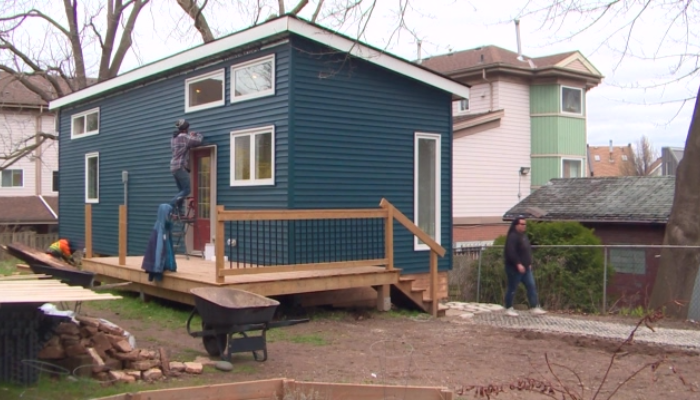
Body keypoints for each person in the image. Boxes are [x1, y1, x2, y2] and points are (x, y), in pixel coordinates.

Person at [503, 217, 547, 317]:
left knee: (531, 286)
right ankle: (508, 308)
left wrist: (529, 263)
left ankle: (534, 306)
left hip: (526, 268)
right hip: (514, 268)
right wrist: (518, 263)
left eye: (525, 224)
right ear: (516, 225)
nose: (524, 226)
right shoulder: (513, 237)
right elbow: (511, 252)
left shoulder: (523, 236)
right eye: (522, 224)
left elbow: (526, 251)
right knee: (512, 288)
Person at [170, 118, 203, 217]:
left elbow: (185, 141)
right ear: (185, 128)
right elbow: (198, 141)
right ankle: (171, 205)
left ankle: (178, 212)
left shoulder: (174, 138)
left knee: (181, 192)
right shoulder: (185, 138)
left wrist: (189, 136)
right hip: (180, 167)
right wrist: (197, 134)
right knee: (187, 190)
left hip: (173, 167)